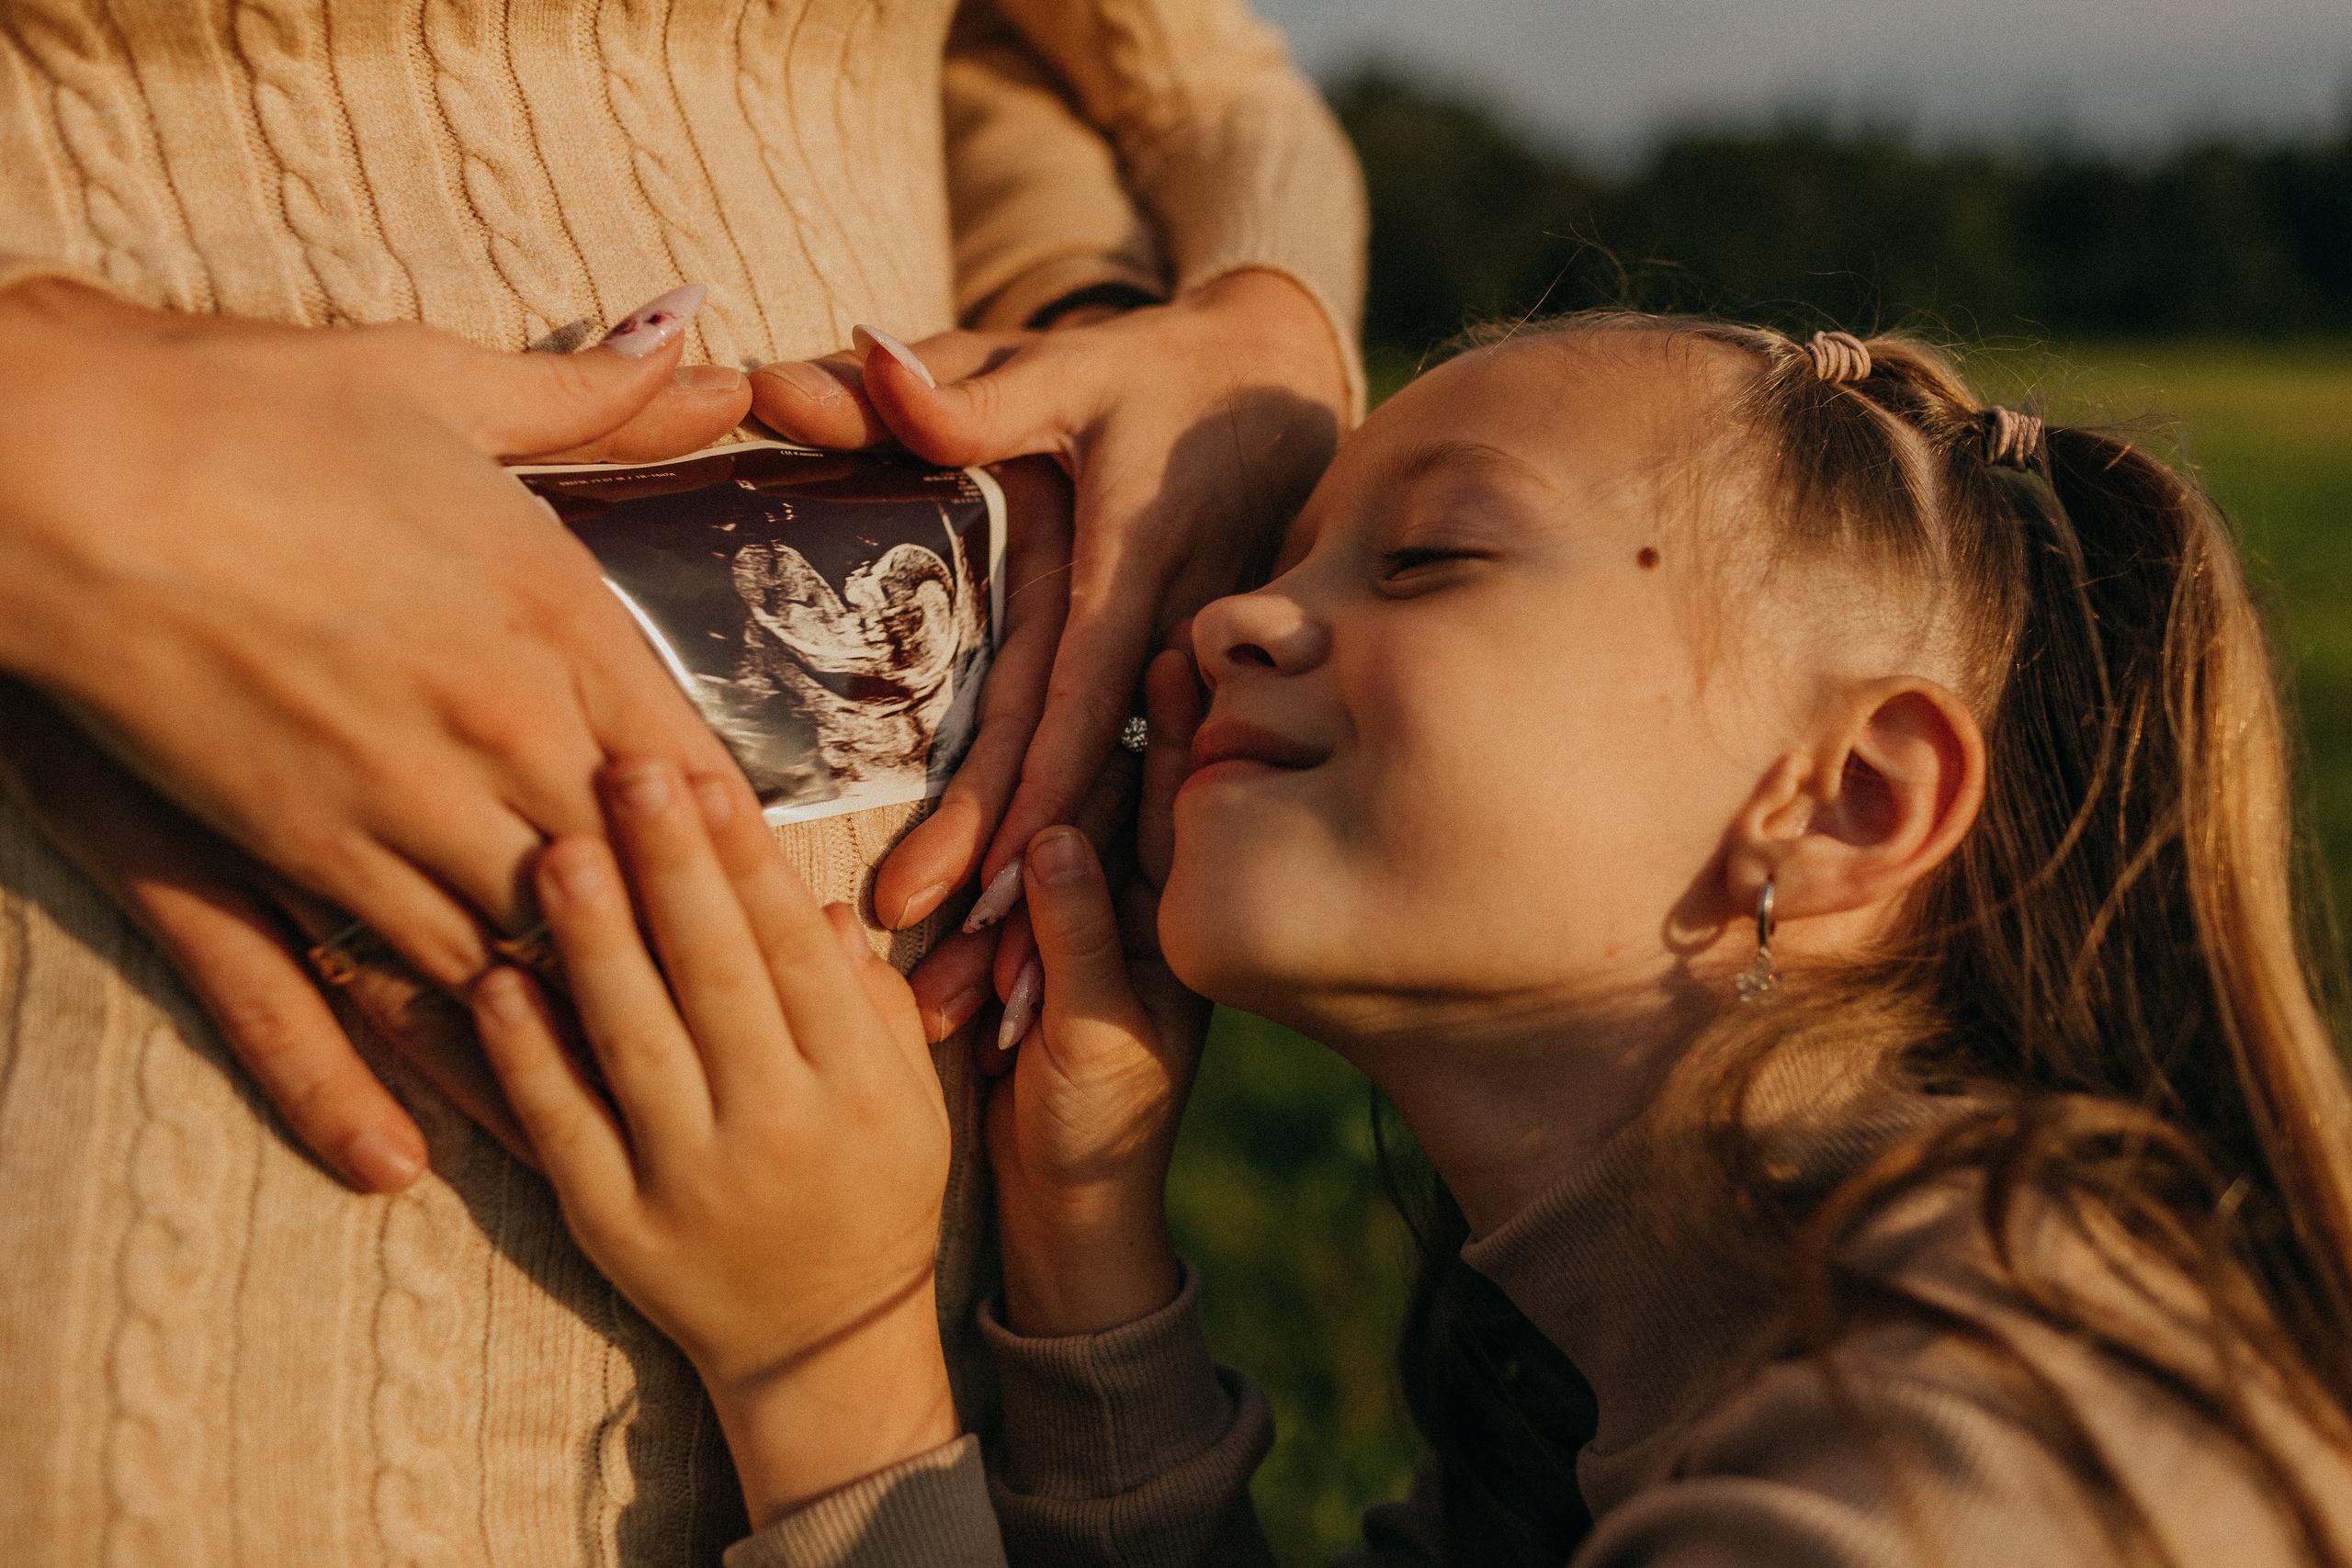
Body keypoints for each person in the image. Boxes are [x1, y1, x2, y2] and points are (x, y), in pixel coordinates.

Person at [472, 317, 2352, 1564]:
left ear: (1846, 800)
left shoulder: (1963, 1476)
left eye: (1429, 555)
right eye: (1277, 558)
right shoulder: (1644, 1362)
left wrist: (830, 1357)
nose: (1230, 625)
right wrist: (1090, 1260)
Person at [0, 0, 1361, 1559]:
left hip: (942, 1278)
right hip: (188, 1134)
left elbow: (1120, 72)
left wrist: (1248, 337)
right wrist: (54, 442)